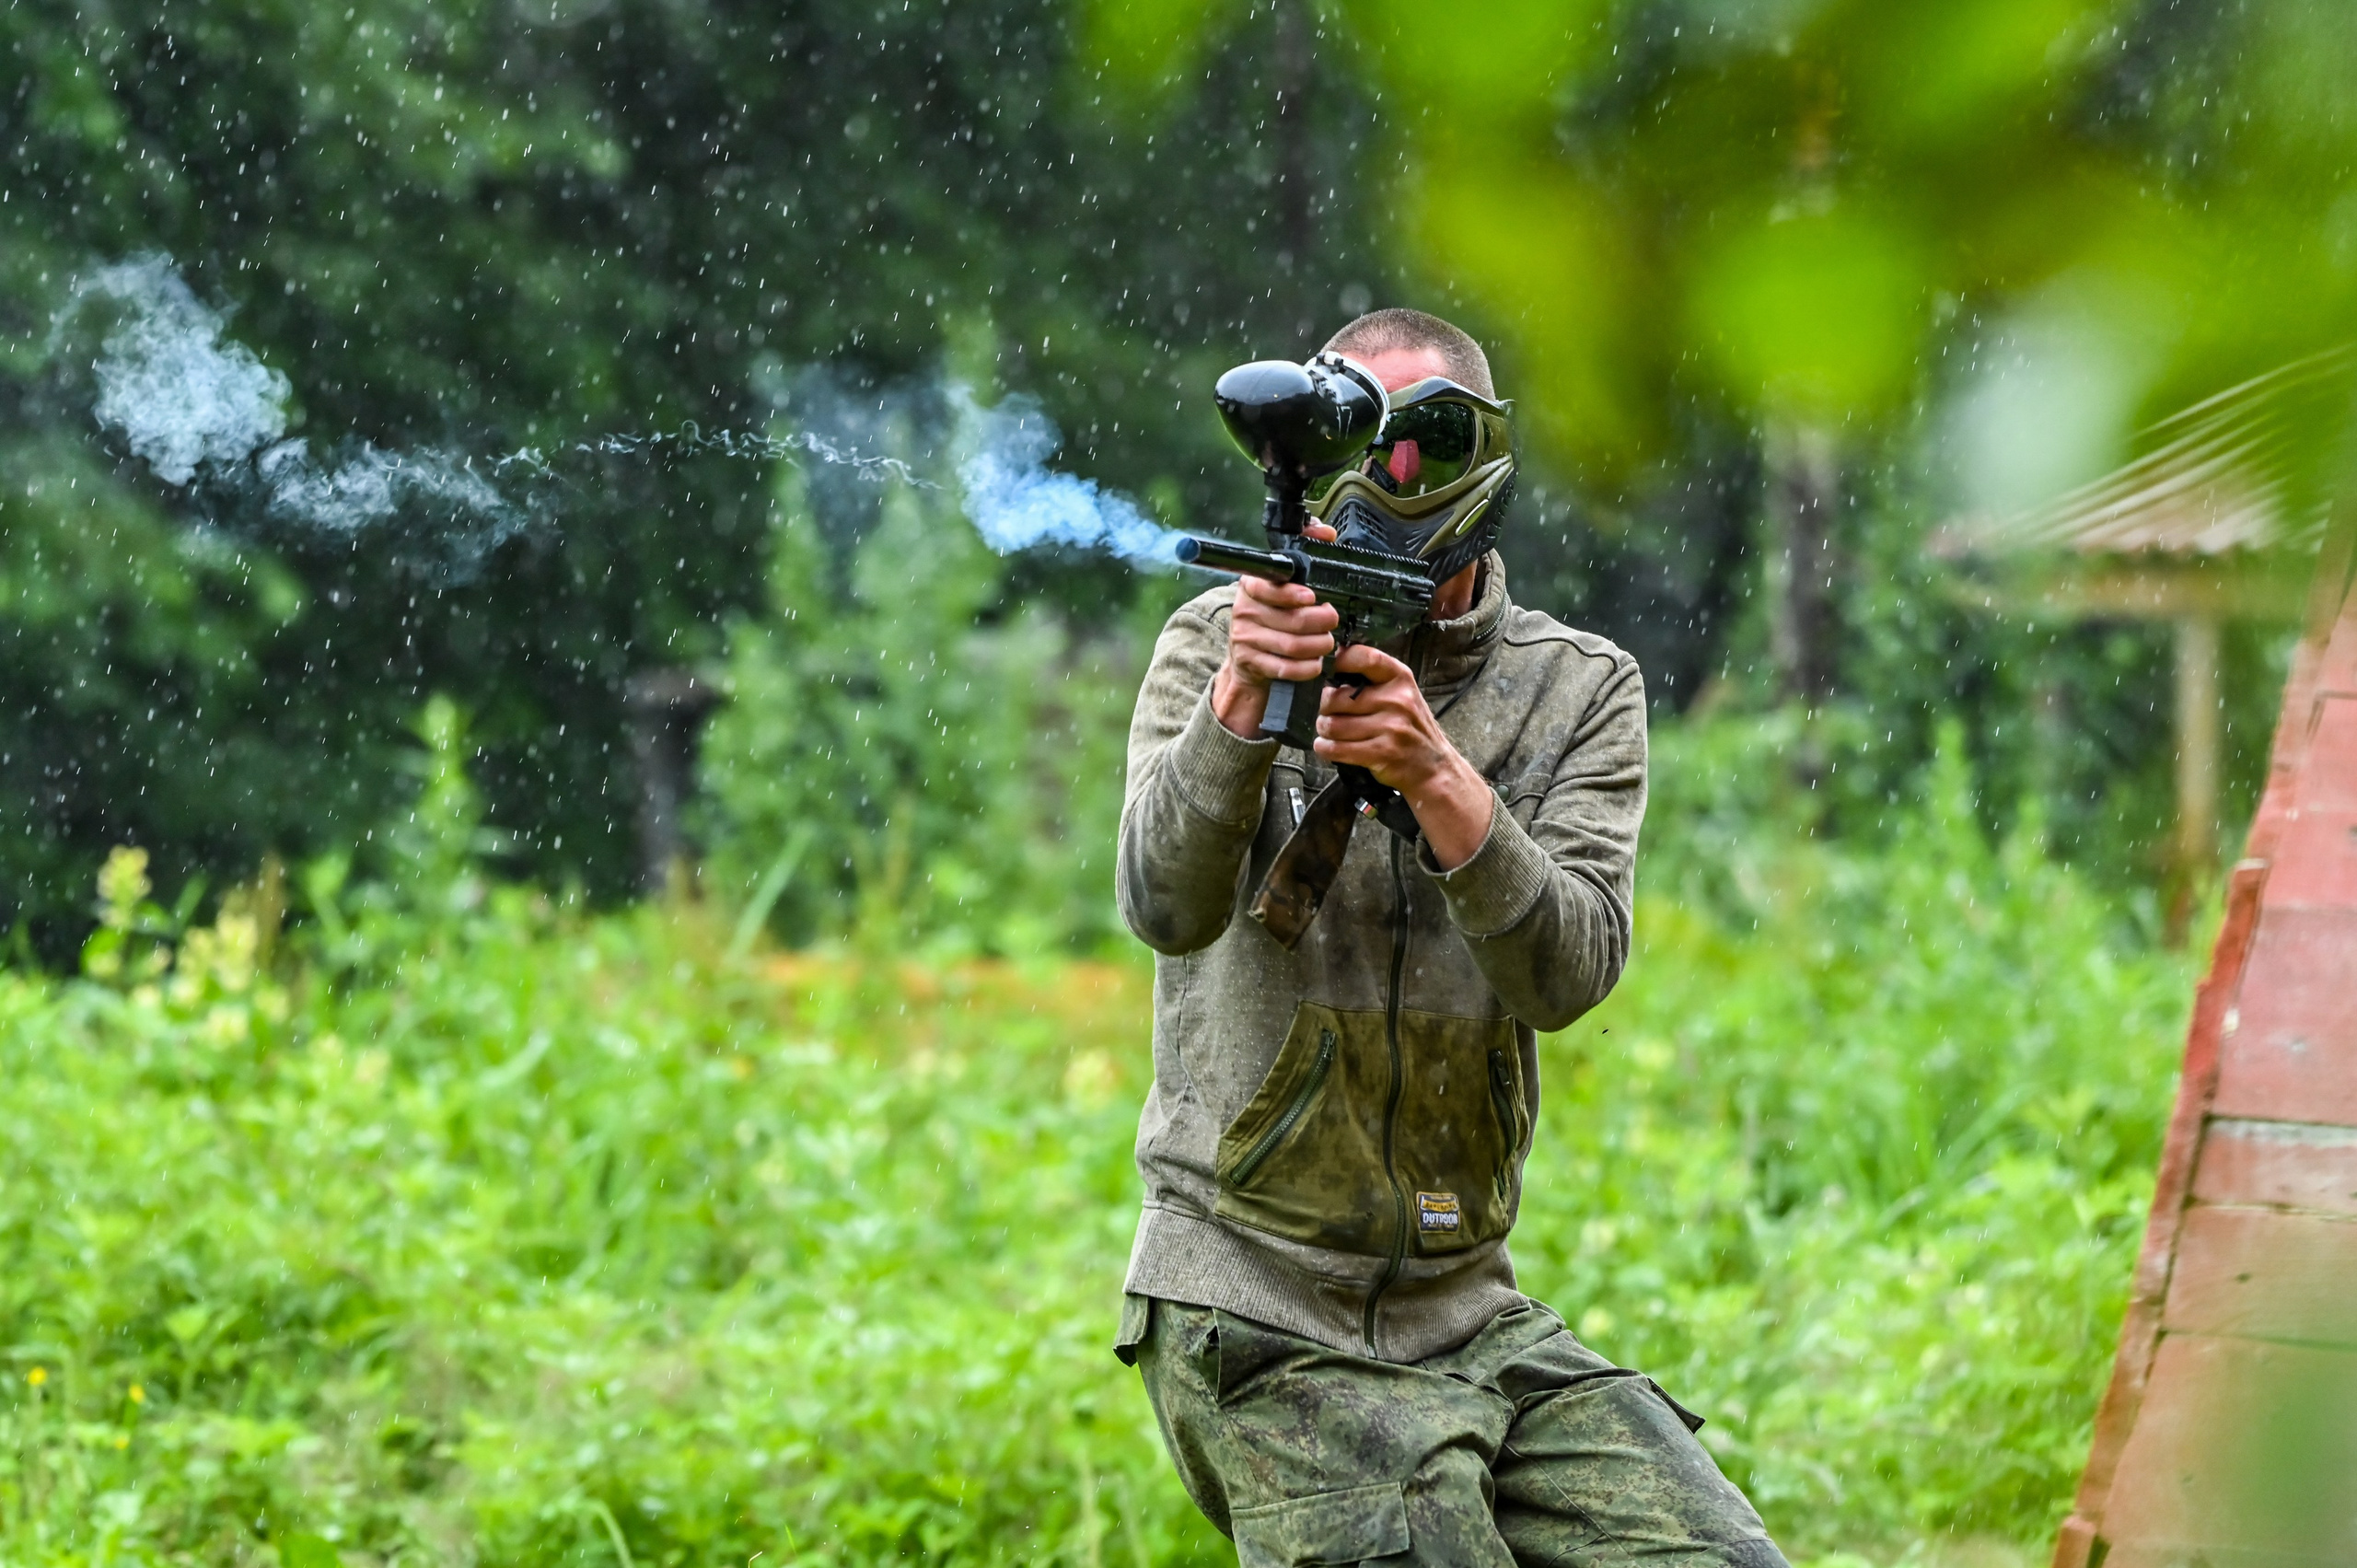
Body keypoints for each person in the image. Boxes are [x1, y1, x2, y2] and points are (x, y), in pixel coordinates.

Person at [1113, 308, 1788, 1566]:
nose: (1394, 478)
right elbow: (1161, 905)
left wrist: (1442, 781)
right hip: (1252, 1300)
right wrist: (1240, 714)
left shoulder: (1576, 688)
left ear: (1482, 457)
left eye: (1424, 440)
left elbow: (1570, 970)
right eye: (1363, 438)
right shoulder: (1221, 642)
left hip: (1463, 1313)